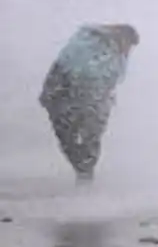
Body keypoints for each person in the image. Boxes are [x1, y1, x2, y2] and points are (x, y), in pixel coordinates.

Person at [38, 24, 139, 184]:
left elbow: (110, 80)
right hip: (65, 90)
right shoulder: (89, 43)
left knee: (87, 135)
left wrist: (103, 99)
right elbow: (80, 70)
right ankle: (83, 171)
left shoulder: (116, 55)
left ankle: (85, 172)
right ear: (120, 37)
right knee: (69, 134)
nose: (128, 50)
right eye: (128, 44)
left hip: (84, 96)